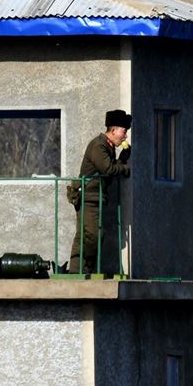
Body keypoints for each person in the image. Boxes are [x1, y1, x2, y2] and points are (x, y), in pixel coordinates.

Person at [68, 109, 132, 274]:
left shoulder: (108, 147)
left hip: (97, 198)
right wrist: (124, 169)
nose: (125, 136)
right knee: (92, 235)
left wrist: (123, 158)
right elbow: (108, 169)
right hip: (88, 197)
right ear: (113, 130)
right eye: (124, 132)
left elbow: (107, 169)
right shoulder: (99, 145)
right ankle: (78, 271)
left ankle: (80, 270)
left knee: (88, 235)